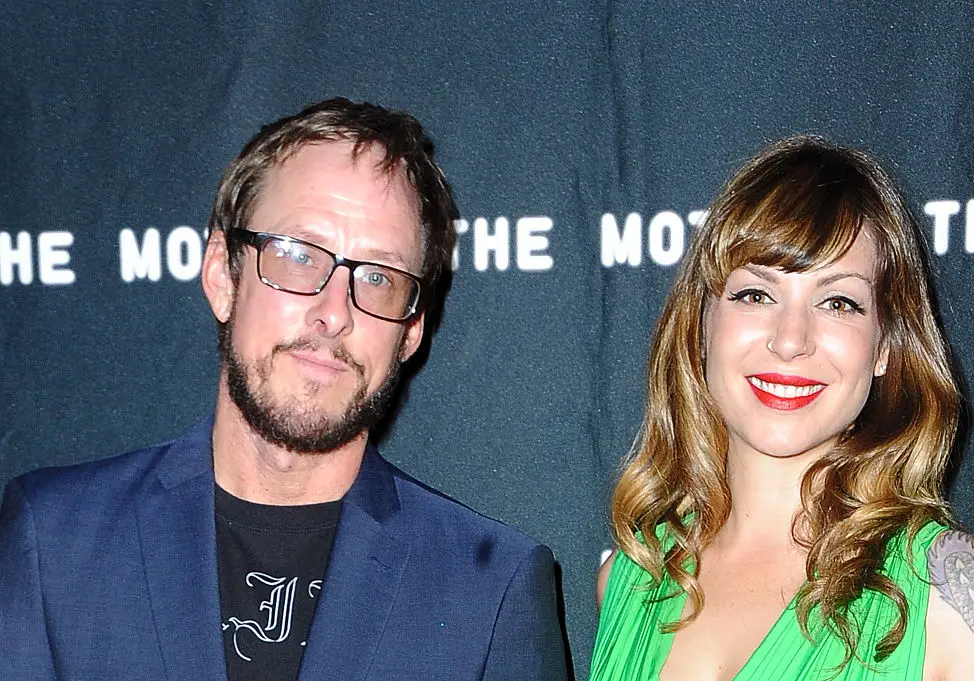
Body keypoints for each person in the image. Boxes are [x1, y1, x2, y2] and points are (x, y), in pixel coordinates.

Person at [0, 98, 569, 681]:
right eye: (298, 256)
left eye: (377, 277)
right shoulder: (55, 541)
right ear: (223, 274)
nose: (334, 313)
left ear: (411, 330)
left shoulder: (490, 590)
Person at [589, 135, 974, 680]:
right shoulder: (632, 579)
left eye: (838, 302)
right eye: (756, 295)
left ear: (886, 345)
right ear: (702, 323)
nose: (790, 339)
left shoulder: (961, 597)